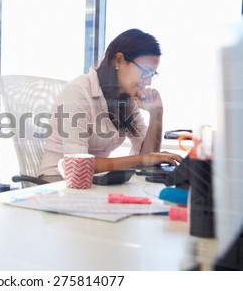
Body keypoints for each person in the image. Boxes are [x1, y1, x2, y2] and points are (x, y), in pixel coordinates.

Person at [38, 28, 183, 182]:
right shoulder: (78, 91)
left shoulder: (125, 99)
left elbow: (148, 158)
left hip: (95, 180)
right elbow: (78, 164)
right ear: (119, 60)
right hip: (57, 180)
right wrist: (141, 159)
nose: (148, 82)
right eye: (146, 72)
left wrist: (156, 114)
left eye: (152, 75)